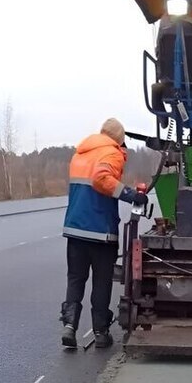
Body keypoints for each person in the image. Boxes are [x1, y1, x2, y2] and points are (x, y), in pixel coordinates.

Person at [60, 119, 147, 349]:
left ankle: (69, 326)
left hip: (75, 228)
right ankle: (100, 332)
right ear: (119, 139)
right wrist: (130, 195)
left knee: (76, 278)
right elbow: (101, 178)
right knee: (101, 282)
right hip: (101, 231)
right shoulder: (112, 153)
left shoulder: (81, 153)